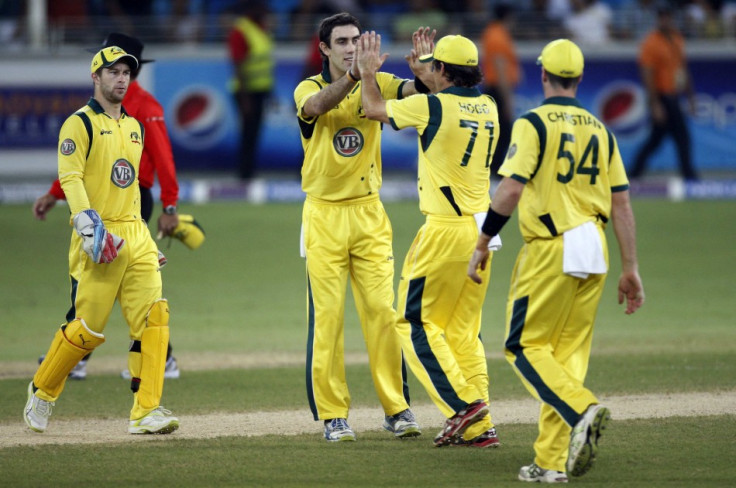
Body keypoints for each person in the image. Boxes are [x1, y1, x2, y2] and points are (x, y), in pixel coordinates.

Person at [468, 39, 645, 481]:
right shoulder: (601, 130)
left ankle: (581, 408)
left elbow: (509, 189)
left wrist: (482, 240)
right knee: (564, 359)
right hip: (596, 248)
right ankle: (549, 464)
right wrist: (630, 268)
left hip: (552, 245)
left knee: (523, 347)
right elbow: (621, 205)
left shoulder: (533, 123)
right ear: (580, 79)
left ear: (543, 74)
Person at [23, 46, 179, 435]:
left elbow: (129, 185)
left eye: (127, 72)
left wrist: (143, 235)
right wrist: (86, 223)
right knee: (86, 330)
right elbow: (71, 176)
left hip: (134, 235)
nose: (121, 78)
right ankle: (42, 391)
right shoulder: (79, 124)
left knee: (154, 318)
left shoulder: (134, 126)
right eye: (113, 72)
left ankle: (146, 410)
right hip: (97, 235)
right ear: (96, 77)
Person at [357, 32, 502, 448]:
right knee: (462, 331)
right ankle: (479, 424)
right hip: (480, 230)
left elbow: (373, 108)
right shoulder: (489, 105)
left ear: (441, 71)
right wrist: (425, 68)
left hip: (443, 230)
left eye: (433, 66)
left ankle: (464, 407)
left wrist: (369, 74)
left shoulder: (431, 106)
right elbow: (444, 92)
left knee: (412, 322)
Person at [293, 12, 430, 442]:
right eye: (343, 41)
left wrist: (424, 71)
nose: (352, 46)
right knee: (328, 319)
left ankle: (398, 409)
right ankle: (334, 415)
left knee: (384, 315)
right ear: (325, 49)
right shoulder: (309, 88)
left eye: (357, 39)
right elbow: (317, 108)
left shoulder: (377, 80)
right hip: (324, 216)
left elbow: (413, 92)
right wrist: (354, 76)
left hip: (369, 213)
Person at [629, 6, 699, 181]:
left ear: (672, 18)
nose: (664, 20)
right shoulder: (651, 42)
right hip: (661, 96)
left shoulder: (676, 38)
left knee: (657, 140)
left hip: (674, 95)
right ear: (657, 19)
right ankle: (690, 177)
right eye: (661, 17)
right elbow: (647, 75)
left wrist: (690, 97)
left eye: (667, 17)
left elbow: (682, 68)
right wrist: (655, 104)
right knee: (681, 137)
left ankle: (634, 173)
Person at [227, 0, 274, 181]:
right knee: (247, 133)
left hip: (261, 89)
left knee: (254, 133)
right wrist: (244, 98)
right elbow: (237, 65)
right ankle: (244, 174)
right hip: (246, 92)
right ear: (252, 8)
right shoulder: (241, 30)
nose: (265, 10)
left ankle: (249, 172)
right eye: (261, 6)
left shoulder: (261, 27)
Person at [481, 3, 520, 178]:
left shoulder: (494, 33)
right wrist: (507, 98)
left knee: (499, 131)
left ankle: (494, 168)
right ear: (508, 17)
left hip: (495, 88)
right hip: (497, 89)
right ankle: (494, 169)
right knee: (503, 131)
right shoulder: (497, 35)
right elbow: (500, 67)